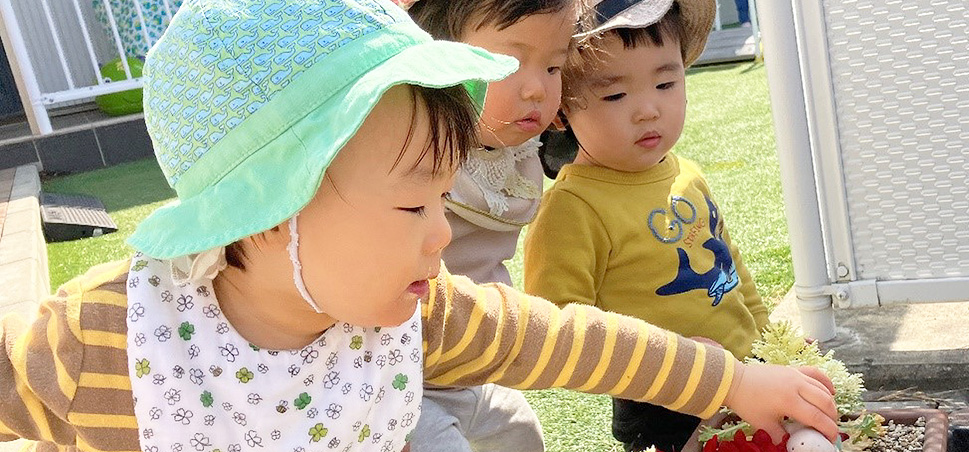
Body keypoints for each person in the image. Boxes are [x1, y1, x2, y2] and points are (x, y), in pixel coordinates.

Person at [0, 0, 841, 451]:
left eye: (443, 199)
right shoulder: (105, 342)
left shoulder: (424, 316)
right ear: (266, 209)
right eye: (413, 205)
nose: (441, 236)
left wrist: (733, 383)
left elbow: (579, 343)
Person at [522, 1, 771, 450]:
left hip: (750, 374)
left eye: (665, 82)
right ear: (561, 111)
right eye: (615, 95)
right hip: (665, 408)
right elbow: (558, 333)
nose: (647, 110)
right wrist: (669, 361)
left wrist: (771, 340)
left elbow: (730, 269)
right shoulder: (572, 209)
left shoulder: (686, 174)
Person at [402, 0, 578, 449]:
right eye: (510, 63)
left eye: (554, 67)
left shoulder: (519, 151)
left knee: (522, 437)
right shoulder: (411, 146)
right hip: (401, 379)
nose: (537, 88)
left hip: (479, 365)